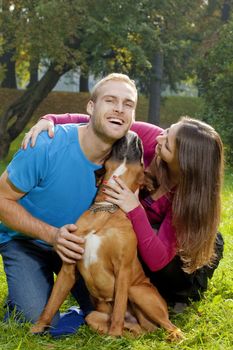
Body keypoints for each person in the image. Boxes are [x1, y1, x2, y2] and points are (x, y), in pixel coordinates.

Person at [0, 73, 152, 336]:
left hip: (81, 248)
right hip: (27, 241)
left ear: (133, 116)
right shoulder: (46, 144)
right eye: (110, 100)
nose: (119, 108)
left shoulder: (127, 154)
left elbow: (177, 144)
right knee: (35, 316)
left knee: (108, 305)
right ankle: (24, 294)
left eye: (128, 104)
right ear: (91, 107)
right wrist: (52, 235)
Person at [24, 113, 224, 313]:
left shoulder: (187, 200)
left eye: (167, 144)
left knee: (151, 241)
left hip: (182, 263)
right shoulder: (147, 137)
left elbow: (158, 260)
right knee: (126, 235)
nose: (159, 138)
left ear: (183, 162)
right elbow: (102, 123)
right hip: (138, 236)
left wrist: (134, 208)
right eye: (167, 130)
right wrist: (50, 120)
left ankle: (175, 297)